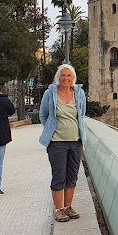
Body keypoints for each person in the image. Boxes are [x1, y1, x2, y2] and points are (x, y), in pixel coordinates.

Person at [40, 64, 87, 223]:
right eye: (63, 75)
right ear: (58, 77)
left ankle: (68, 207)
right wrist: (51, 130)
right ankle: (59, 210)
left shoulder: (79, 94)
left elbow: (82, 114)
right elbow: (43, 116)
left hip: (75, 141)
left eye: (69, 76)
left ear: (73, 78)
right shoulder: (50, 93)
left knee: (72, 176)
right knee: (59, 176)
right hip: (56, 143)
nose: (66, 78)